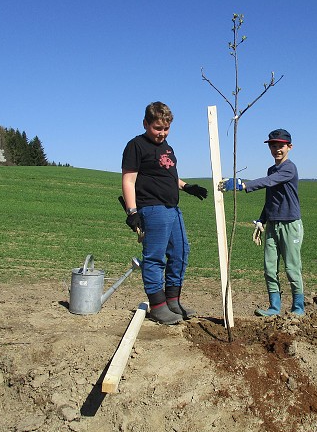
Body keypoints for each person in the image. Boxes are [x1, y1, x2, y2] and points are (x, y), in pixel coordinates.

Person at [121, 102, 208, 325]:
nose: (162, 133)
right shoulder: (136, 145)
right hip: (152, 208)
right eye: (157, 128)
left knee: (181, 253)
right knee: (155, 257)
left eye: (166, 129)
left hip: (172, 209)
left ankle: (173, 301)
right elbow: (129, 180)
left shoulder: (167, 148)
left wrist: (187, 187)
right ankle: (158, 306)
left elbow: (167, 176)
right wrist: (133, 212)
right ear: (145, 123)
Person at [220, 128, 305, 316]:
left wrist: (243, 185)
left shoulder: (289, 168)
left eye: (281, 146)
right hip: (272, 224)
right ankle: (274, 307)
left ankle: (298, 308)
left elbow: (269, 181)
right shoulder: (272, 169)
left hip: (290, 224)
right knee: (269, 268)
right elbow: (270, 199)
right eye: (273, 146)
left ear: (289, 147)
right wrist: (261, 220)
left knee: (291, 268)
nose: (277, 149)